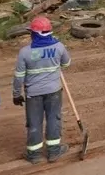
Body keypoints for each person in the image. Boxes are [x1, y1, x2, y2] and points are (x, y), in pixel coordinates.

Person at [13, 16, 71, 164]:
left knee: (34, 123)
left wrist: (16, 94)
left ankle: (34, 155)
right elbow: (66, 63)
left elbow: (19, 76)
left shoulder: (25, 52)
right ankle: (53, 152)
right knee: (54, 119)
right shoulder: (58, 47)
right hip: (54, 91)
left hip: (33, 94)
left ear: (34, 34)